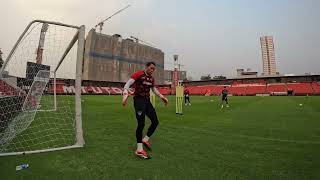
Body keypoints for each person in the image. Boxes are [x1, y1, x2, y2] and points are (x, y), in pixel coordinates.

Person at [122, 62, 168, 159]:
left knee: (155, 122)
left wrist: (162, 96)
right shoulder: (139, 74)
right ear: (146, 67)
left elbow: (154, 89)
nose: (152, 70)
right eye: (151, 68)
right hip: (139, 101)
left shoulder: (151, 78)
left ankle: (145, 139)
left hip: (147, 101)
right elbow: (127, 84)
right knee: (141, 124)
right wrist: (126, 92)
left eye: (154, 69)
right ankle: (139, 150)